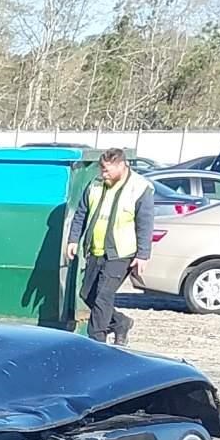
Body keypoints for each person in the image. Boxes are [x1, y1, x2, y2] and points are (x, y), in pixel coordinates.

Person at [62, 145, 149, 346]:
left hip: (121, 253)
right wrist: (73, 240)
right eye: (102, 169)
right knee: (87, 294)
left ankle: (96, 342)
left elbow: (145, 222)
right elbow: (81, 214)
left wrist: (143, 254)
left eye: (107, 170)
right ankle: (120, 322)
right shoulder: (95, 184)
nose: (103, 173)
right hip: (96, 250)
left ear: (121, 166)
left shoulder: (139, 188)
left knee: (103, 297)